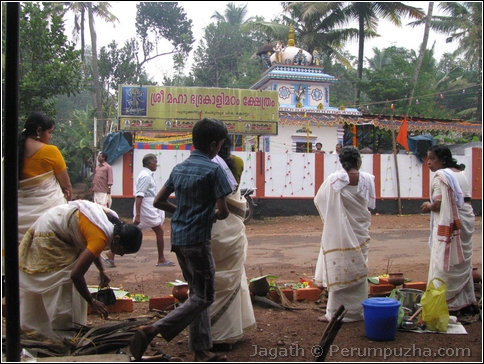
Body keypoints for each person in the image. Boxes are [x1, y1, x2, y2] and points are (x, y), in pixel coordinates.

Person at [129, 118, 233, 362]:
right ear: (213, 145)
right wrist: (212, 214)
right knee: (205, 296)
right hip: (198, 240)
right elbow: (224, 211)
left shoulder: (179, 169)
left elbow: (158, 202)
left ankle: (200, 351)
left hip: (179, 239)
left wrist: (182, 211)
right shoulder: (214, 169)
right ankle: (152, 330)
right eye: (219, 145)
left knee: (197, 294)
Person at [18, 200, 142, 339]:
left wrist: (102, 270)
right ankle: (57, 333)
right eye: (122, 250)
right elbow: (76, 275)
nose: (121, 255)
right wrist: (91, 301)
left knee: (70, 286)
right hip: (50, 233)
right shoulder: (101, 236)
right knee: (62, 284)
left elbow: (91, 245)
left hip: (58, 222)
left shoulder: (114, 224)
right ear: (117, 239)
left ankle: (67, 329)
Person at [313, 146, 376, 322]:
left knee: (341, 267)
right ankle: (356, 312)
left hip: (340, 234)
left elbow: (320, 199)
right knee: (359, 267)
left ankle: (334, 313)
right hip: (360, 231)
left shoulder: (334, 180)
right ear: (358, 161)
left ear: (341, 162)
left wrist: (333, 220)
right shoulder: (368, 180)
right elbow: (368, 205)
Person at [210, 122, 256, 351]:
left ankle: (211, 332)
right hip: (232, 227)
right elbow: (232, 193)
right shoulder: (236, 162)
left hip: (211, 228)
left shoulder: (205, 165)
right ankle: (228, 333)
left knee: (210, 277)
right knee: (232, 277)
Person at [420, 145, 477, 314]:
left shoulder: (441, 177)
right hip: (465, 218)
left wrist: (427, 205)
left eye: (433, 159)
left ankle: (444, 302)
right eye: (428, 159)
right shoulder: (461, 174)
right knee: (462, 261)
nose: (429, 163)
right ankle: (465, 301)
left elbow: (438, 205)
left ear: (443, 160)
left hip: (450, 222)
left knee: (443, 259)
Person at [103, 153, 173, 267]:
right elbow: (139, 195)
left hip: (148, 206)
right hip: (146, 207)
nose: (156, 164)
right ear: (150, 163)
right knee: (159, 231)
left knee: (134, 229)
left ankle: (111, 253)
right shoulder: (146, 176)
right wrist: (138, 214)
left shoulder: (147, 174)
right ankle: (161, 259)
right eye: (155, 162)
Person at [18, 111, 72, 243]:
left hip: (17, 220)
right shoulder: (50, 151)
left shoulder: (13, 150)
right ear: (38, 131)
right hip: (46, 222)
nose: (50, 137)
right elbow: (66, 186)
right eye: (50, 132)